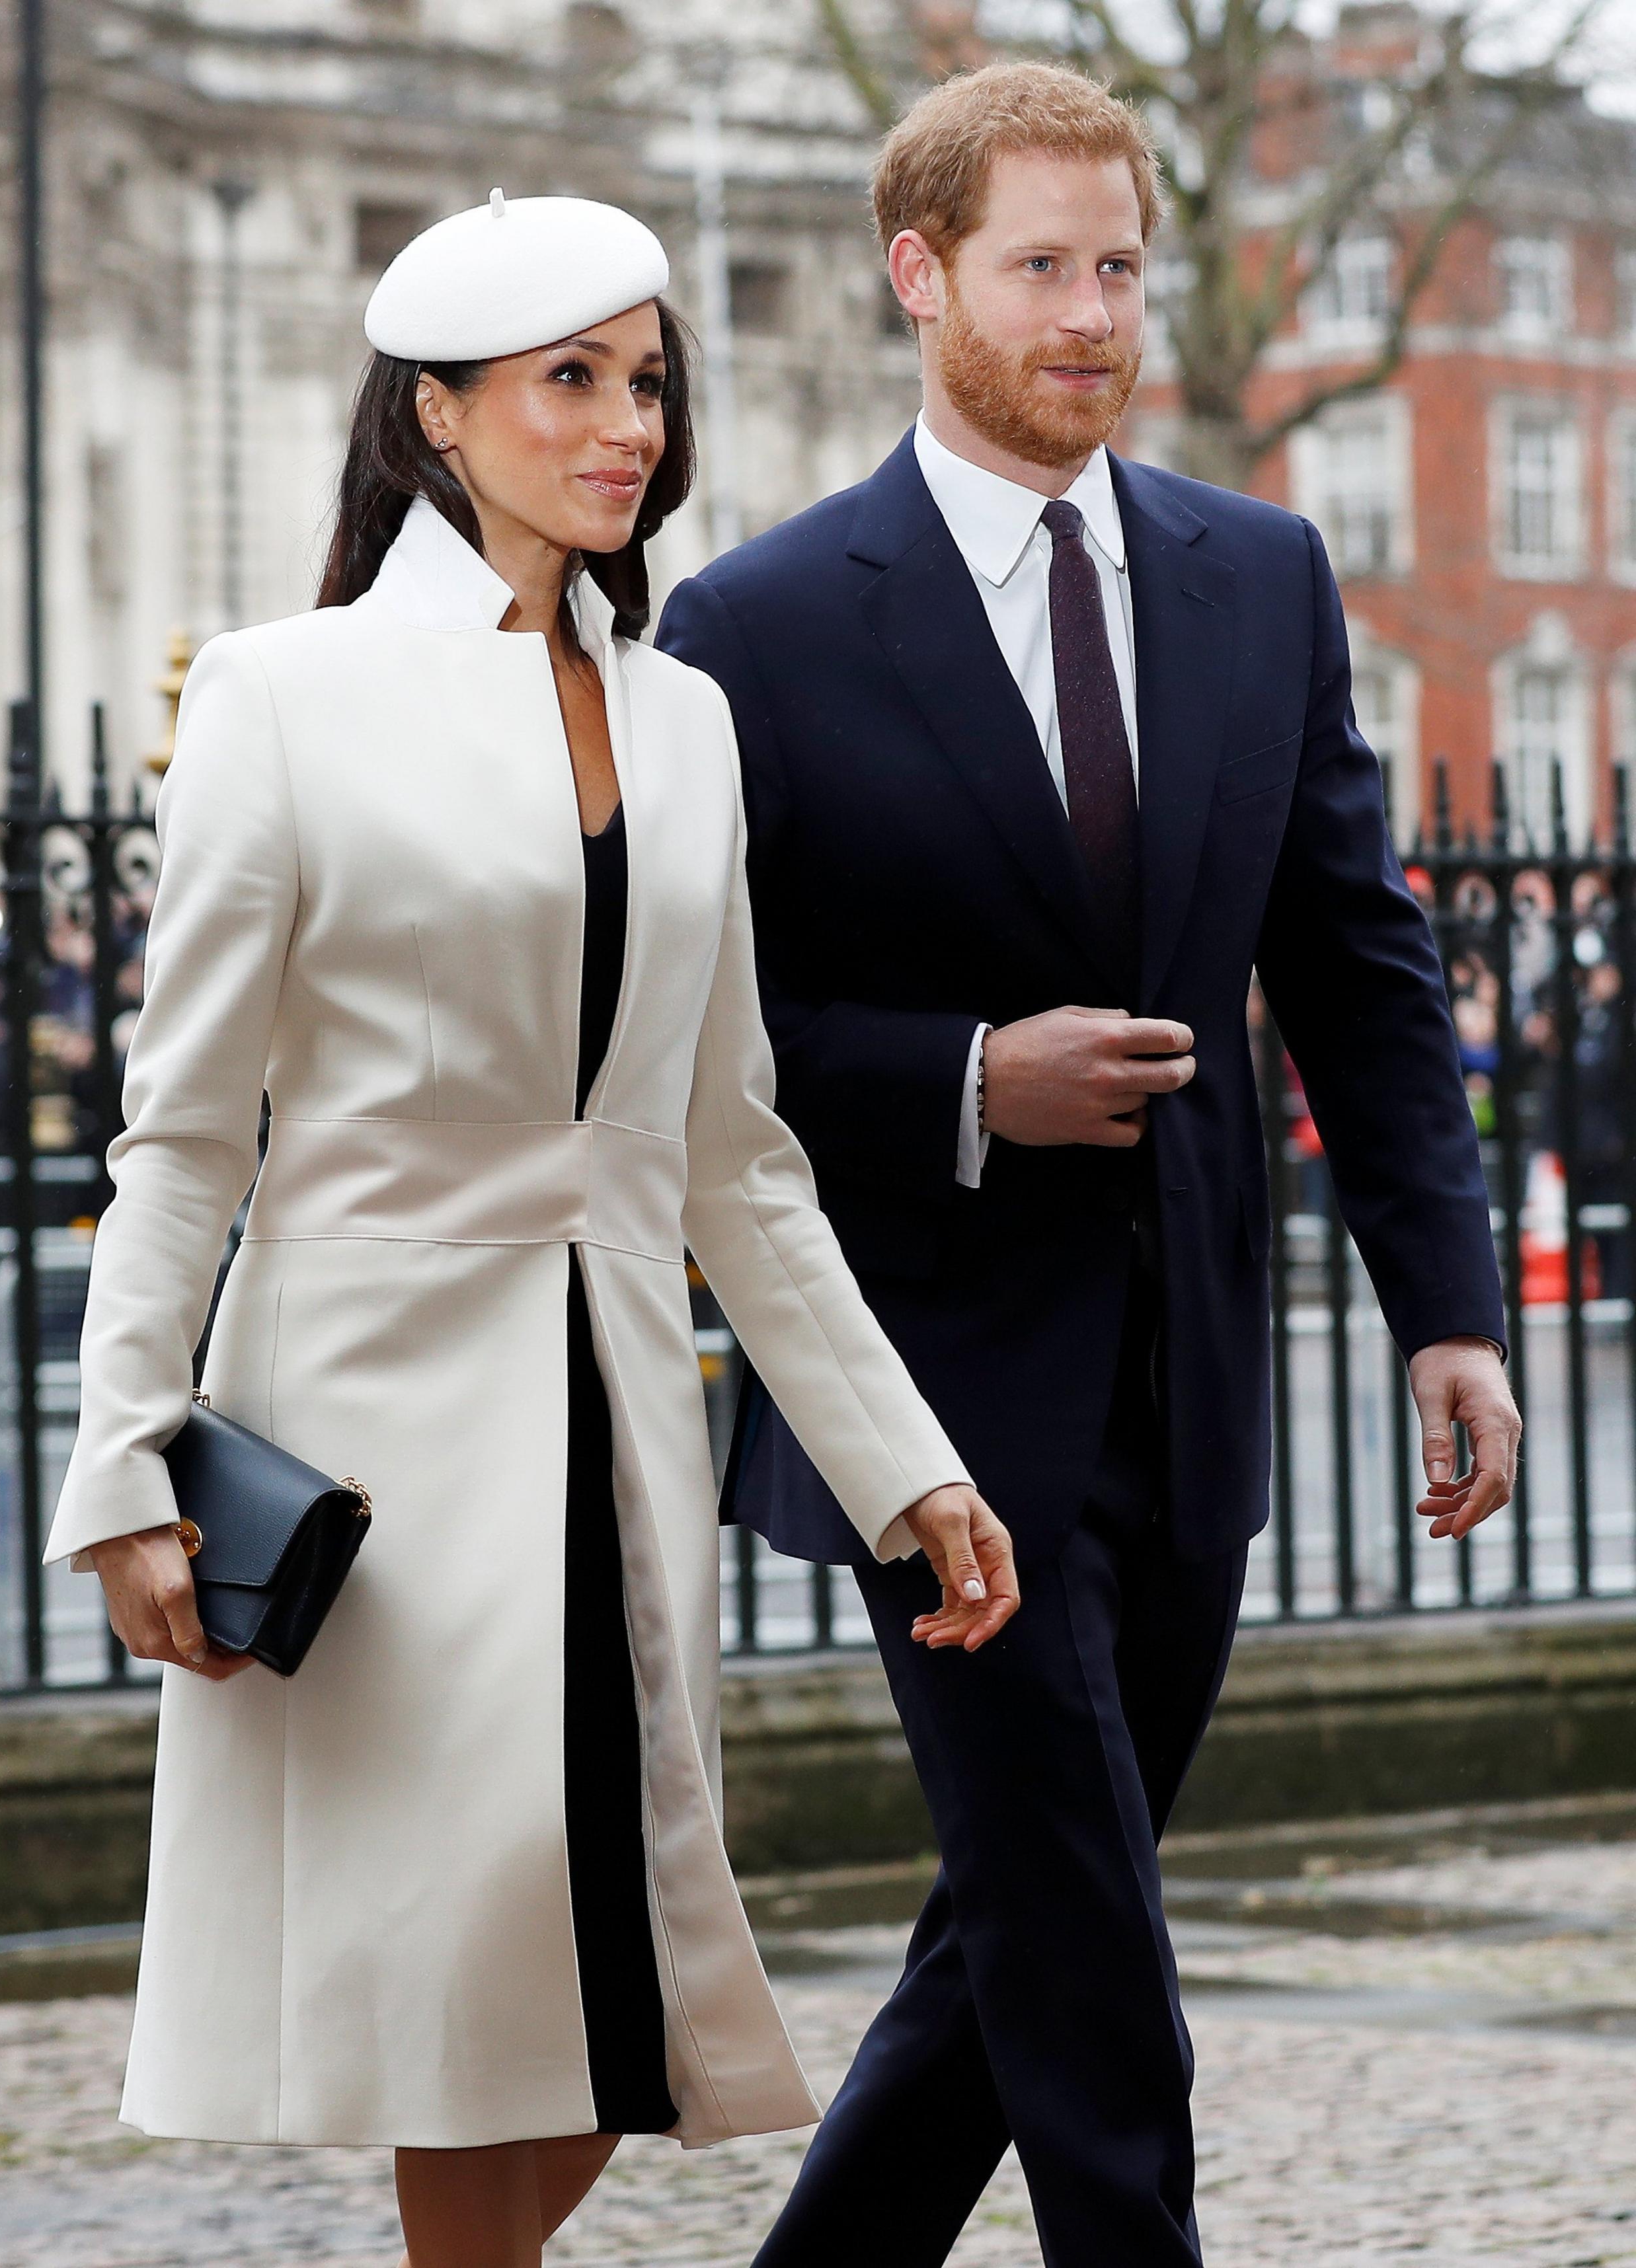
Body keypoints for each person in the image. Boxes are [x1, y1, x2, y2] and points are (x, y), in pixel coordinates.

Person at [42, 191, 1018, 2268]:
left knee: (599, 1991)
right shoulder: (280, 697)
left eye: (647, 381)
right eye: (570, 380)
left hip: (612, 1420)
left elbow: (732, 1150)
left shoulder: (685, 719)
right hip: (375, 1448)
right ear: (439, 415)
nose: (626, 425)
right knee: (480, 1980)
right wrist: (123, 1464)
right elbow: (183, 1131)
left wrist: (904, 1464)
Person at [658, 61, 1520, 2268]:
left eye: (1121, 264)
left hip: (1195, 1395)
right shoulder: (749, 633)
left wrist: (1447, 1303)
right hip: (923, 1404)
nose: (1095, 313)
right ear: (919, 270)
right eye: (1043, 263)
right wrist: (965, 1076)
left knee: (1029, 1921)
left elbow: (1362, 960)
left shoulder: (1263, 574)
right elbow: (692, 1057)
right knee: (1094, 1960)